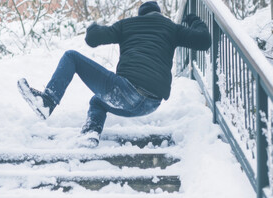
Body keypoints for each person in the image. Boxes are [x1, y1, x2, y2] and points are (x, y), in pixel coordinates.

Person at [17, 1, 211, 148]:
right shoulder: (172, 29)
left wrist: (93, 26)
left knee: (71, 57)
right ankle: (91, 133)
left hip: (127, 92)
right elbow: (204, 41)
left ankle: (48, 101)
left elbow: (92, 39)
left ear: (140, 15)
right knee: (98, 101)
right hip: (151, 103)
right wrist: (194, 20)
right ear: (158, 14)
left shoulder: (127, 24)